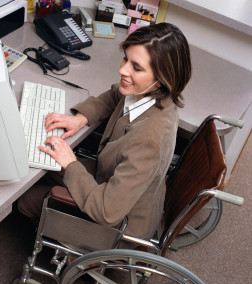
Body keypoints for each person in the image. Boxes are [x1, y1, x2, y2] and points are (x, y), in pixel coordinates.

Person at [18, 23, 192, 242]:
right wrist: (80, 119)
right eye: (125, 59)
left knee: (26, 200)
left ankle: (71, 248)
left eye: (136, 67)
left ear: (163, 78)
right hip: (110, 178)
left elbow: (106, 211)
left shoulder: (150, 140)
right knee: (41, 164)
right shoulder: (152, 94)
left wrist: (71, 163)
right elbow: (115, 95)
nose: (122, 70)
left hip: (120, 226)